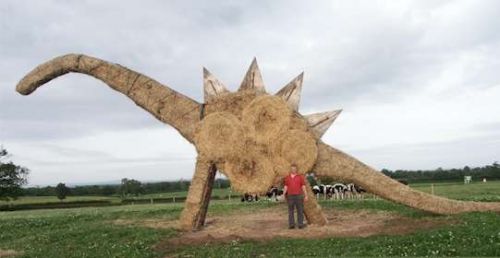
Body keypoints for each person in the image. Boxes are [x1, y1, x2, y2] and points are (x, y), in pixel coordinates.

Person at [283, 163, 308, 229]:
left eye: (294, 169)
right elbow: (286, 187)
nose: (293, 170)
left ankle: (300, 224)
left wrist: (306, 195)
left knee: (300, 210)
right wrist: (283, 194)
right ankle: (291, 225)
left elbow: (303, 187)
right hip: (290, 196)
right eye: (292, 169)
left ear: (296, 170)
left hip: (299, 196)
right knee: (290, 211)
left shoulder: (300, 177)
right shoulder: (287, 178)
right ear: (290, 169)